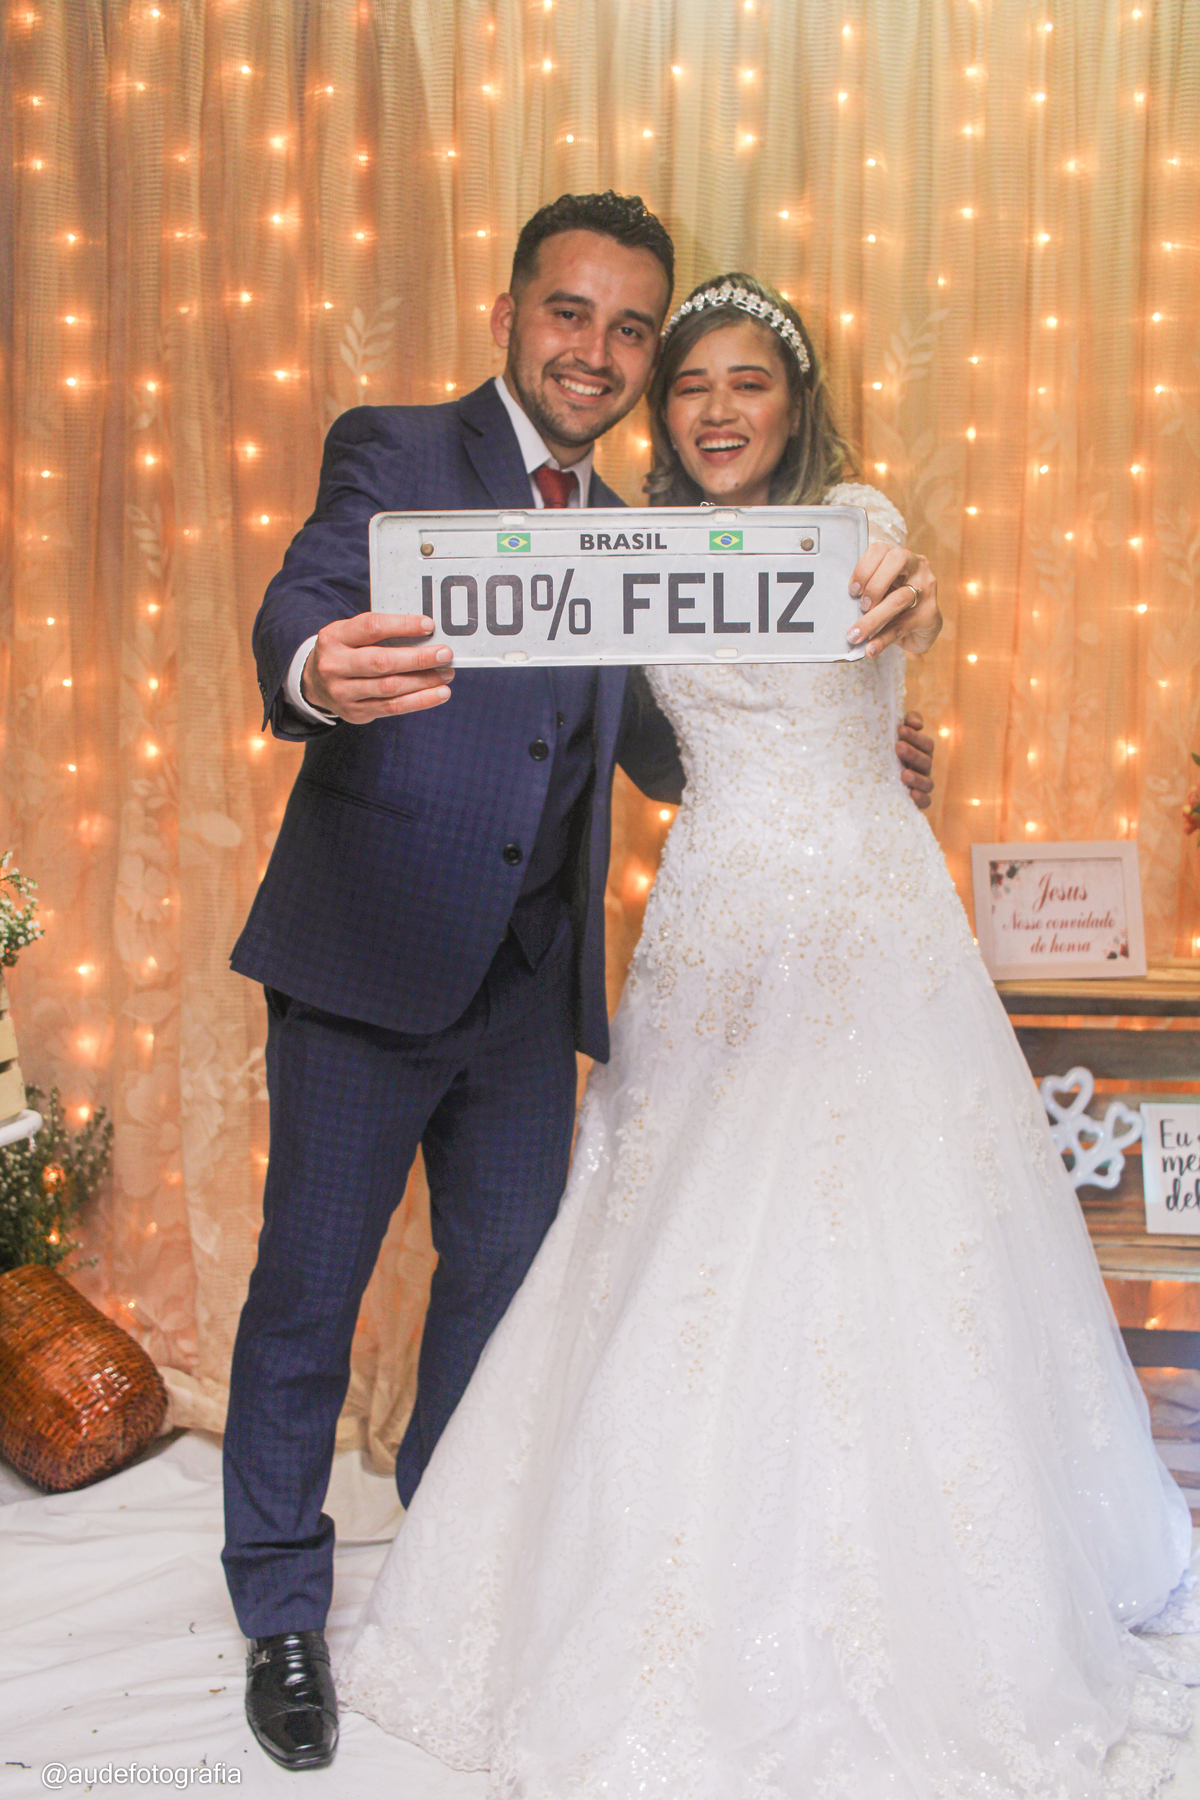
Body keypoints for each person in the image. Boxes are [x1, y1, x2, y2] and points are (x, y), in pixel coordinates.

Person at [338, 276, 1198, 1795]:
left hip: (867, 928)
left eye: (750, 381)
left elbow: (902, 599)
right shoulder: (637, 551)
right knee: (678, 1232)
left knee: (891, 1232)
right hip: (713, 928)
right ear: (661, 412)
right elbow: (619, 727)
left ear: (797, 404)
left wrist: (911, 621)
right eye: (691, 385)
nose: (718, 408)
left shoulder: (850, 521)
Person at [223, 200, 940, 1772]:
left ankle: (450, 1563)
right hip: (367, 954)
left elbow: (669, 738)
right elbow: (304, 597)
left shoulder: (641, 536)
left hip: (528, 990)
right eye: (571, 315)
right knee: (308, 1297)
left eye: (631, 330)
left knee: (496, 1298)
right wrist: (312, 668)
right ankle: (278, 1607)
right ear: (510, 316)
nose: (597, 353)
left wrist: (846, 741)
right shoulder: (399, 450)